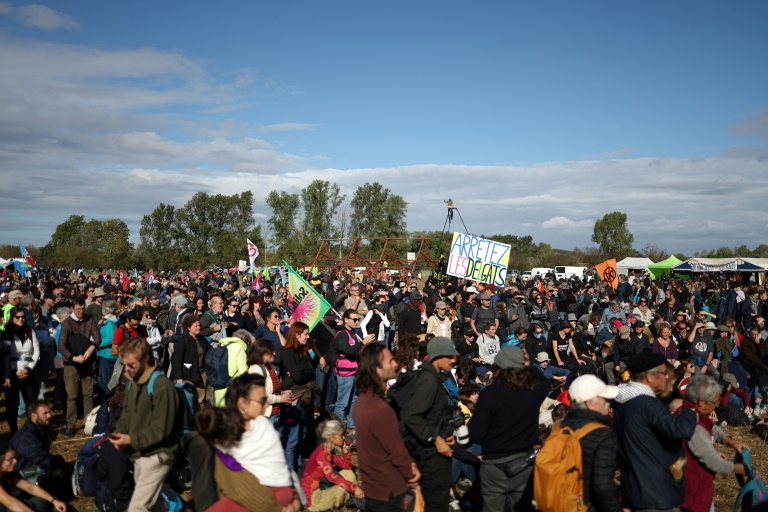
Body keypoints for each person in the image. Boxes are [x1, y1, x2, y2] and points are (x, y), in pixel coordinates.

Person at [195, 374, 298, 511]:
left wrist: (278, 509)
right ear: (243, 403)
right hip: (279, 493)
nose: (266, 404)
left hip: (266, 497)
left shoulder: (236, 435)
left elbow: (242, 488)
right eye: (262, 400)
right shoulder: (262, 424)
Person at [613, 352, 698, 512]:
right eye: (663, 373)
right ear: (650, 377)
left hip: (634, 486)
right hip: (653, 491)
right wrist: (688, 410)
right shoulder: (647, 404)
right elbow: (681, 429)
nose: (666, 377)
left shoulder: (622, 400)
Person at [469, 345, 548, 512]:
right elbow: (545, 383)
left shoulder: (489, 394)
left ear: (499, 368)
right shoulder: (532, 391)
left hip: (494, 464)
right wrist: (529, 366)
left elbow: (475, 434)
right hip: (524, 463)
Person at [109, 336, 180, 512]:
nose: (126, 369)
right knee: (155, 506)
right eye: (124, 364)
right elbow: (125, 414)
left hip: (158, 455)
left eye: (131, 364)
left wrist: (131, 440)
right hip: (139, 453)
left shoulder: (161, 385)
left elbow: (161, 429)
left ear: (146, 358)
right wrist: (119, 433)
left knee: (137, 508)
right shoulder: (132, 381)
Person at [352, 343, 420, 512]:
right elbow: (396, 451)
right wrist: (412, 474)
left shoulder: (362, 401)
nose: (395, 364)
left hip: (372, 486)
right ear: (376, 369)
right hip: (389, 489)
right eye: (390, 362)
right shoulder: (380, 409)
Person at [401, 336, 458, 511]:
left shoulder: (435, 377)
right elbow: (412, 417)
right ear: (436, 357)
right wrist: (435, 439)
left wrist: (446, 433)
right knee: (435, 503)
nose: (453, 360)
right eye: (449, 356)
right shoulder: (428, 380)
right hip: (429, 455)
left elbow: (433, 414)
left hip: (434, 449)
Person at [679, 374, 750, 512]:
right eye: (715, 402)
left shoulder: (689, 411)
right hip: (696, 494)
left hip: (696, 488)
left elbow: (712, 427)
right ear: (701, 402)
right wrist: (740, 469)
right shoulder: (693, 426)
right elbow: (712, 461)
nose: (717, 406)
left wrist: (732, 443)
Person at [559, 375, 622, 512]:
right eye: (604, 398)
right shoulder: (602, 434)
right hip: (588, 505)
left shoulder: (559, 427)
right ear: (590, 403)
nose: (608, 402)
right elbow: (602, 485)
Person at [57, 296, 101, 437]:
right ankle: (70, 424)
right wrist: (73, 357)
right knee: (72, 394)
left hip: (87, 361)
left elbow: (97, 338)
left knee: (88, 393)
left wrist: (92, 348)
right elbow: (61, 345)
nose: (81, 311)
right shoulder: (67, 323)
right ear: (72, 309)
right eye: (78, 309)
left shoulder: (90, 320)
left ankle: (88, 422)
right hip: (71, 362)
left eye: (83, 309)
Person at [9, 400, 69, 501]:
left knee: (58, 460)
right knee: (58, 471)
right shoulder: (26, 436)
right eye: (45, 413)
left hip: (30, 465)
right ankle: (57, 498)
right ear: (34, 416)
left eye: (49, 412)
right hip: (20, 475)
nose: (49, 416)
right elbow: (42, 459)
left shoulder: (37, 428)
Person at [300, 420, 361, 511]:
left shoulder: (327, 451)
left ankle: (351, 499)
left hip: (321, 487)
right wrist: (354, 488)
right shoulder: (322, 454)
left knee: (348, 473)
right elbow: (332, 477)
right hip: (312, 497)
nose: (343, 437)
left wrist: (345, 452)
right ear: (331, 437)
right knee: (341, 490)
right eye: (341, 435)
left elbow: (347, 467)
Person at [281, 322, 318, 471]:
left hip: (306, 397)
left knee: (302, 432)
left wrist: (301, 372)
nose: (308, 337)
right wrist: (301, 373)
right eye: (305, 334)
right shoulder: (287, 352)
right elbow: (297, 376)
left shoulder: (303, 350)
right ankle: (289, 470)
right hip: (295, 399)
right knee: (293, 436)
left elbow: (311, 372)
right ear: (296, 335)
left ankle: (299, 465)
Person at [331, 309, 375, 435]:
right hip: (345, 373)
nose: (357, 322)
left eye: (358, 319)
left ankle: (351, 426)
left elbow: (356, 350)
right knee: (342, 403)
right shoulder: (341, 334)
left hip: (354, 371)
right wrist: (362, 343)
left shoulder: (353, 332)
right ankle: (337, 430)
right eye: (354, 319)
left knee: (353, 400)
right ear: (346, 319)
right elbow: (349, 351)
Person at [3, 307, 40, 435]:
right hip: (13, 372)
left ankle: (33, 429)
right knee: (12, 403)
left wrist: (28, 369)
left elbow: (36, 352)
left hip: (28, 370)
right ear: (12, 318)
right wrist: (14, 371)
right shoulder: (6, 333)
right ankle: (14, 431)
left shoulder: (30, 331)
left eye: (23, 317)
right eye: (17, 317)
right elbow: (5, 355)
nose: (21, 319)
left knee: (32, 401)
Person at [0, 442, 67, 512]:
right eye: (10, 459)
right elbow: (9, 503)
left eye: (14, 457)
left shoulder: (9, 473)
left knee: (39, 502)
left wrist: (54, 500)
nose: (15, 461)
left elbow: (31, 488)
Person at [170, 314, 210, 407]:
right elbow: (177, 361)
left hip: (201, 374)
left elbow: (209, 351)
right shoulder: (183, 341)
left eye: (199, 325)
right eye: (196, 326)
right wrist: (179, 378)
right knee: (188, 401)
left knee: (200, 400)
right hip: (188, 375)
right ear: (188, 328)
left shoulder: (201, 339)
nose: (199, 328)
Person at [213, 330, 252, 406]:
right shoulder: (239, 347)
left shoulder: (221, 346)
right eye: (247, 344)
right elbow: (243, 372)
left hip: (219, 388)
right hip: (233, 389)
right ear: (243, 340)